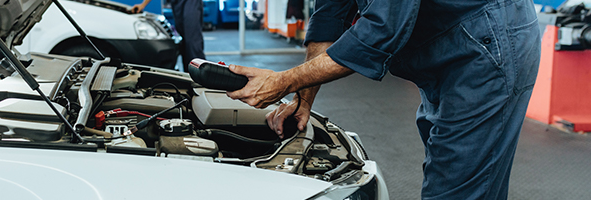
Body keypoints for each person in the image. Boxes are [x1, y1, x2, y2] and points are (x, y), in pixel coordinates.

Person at [226, 0, 541, 199]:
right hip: (446, 46)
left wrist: (283, 81)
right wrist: (303, 98)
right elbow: (330, 16)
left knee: (458, 184)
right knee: (459, 169)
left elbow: (380, 29)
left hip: (486, 45)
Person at [131, 0, 206, 71]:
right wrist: (143, 5)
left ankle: (200, 75)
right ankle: (190, 75)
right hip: (177, 3)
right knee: (184, 43)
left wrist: (143, 5)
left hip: (190, 2)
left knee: (192, 41)